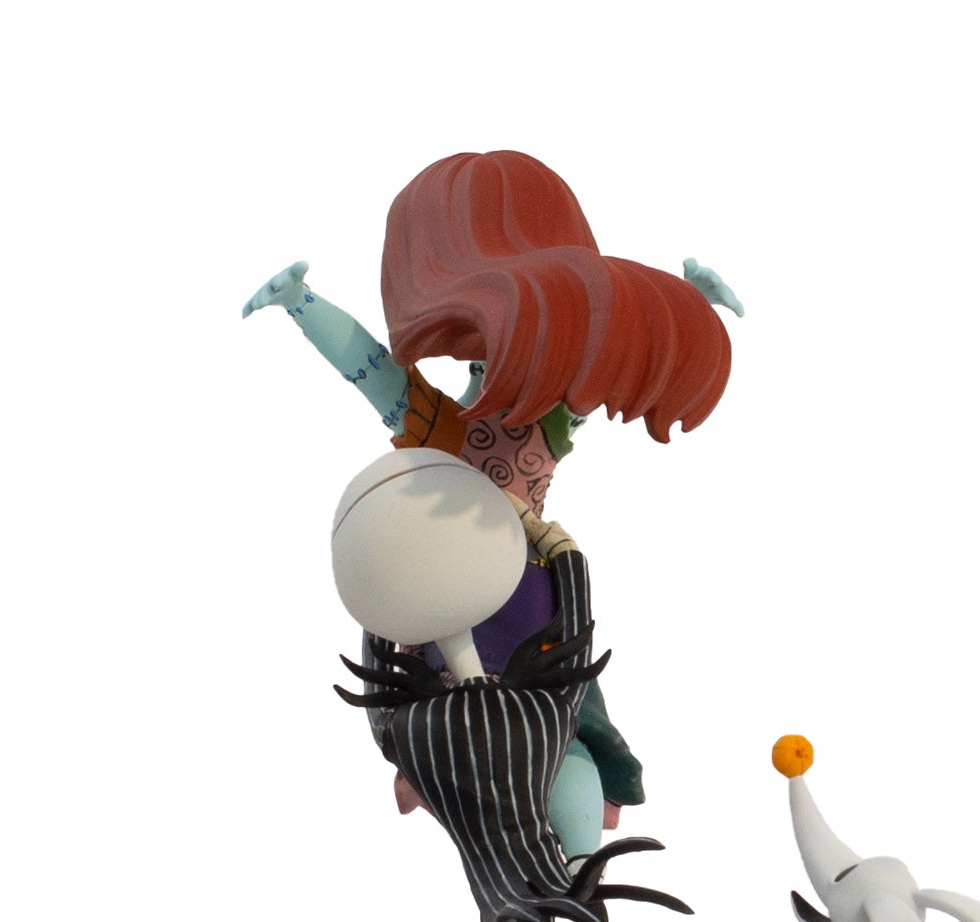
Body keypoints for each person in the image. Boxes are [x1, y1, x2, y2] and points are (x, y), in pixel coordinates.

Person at [242, 150, 743, 859]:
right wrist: (302, 302)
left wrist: (689, 306)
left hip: (532, 602)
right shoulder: (439, 423)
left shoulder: (550, 417)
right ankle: (459, 785)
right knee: (462, 720)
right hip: (449, 601)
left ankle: (576, 857)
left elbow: (608, 353)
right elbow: (371, 368)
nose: (507, 370)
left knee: (566, 735)